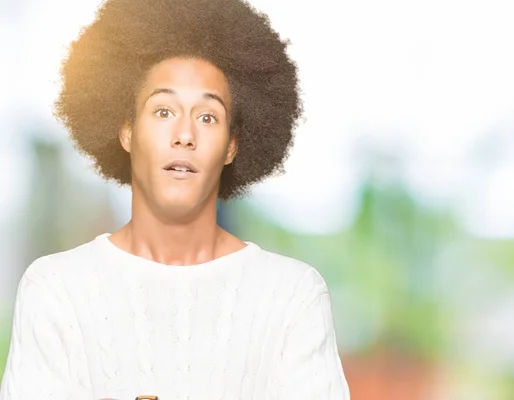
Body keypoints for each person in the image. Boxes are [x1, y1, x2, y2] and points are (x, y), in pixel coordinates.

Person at [0, 0, 351, 398]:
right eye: (164, 111)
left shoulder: (293, 296)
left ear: (232, 146)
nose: (184, 134)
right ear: (127, 132)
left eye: (207, 117)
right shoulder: (54, 289)